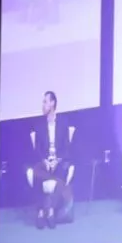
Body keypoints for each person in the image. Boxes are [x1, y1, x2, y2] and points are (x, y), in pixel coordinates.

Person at [28, 89, 74, 229]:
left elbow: (66, 147)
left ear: (52, 103)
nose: (43, 105)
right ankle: (44, 211)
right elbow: (37, 149)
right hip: (44, 162)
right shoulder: (39, 125)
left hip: (58, 162)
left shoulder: (63, 123)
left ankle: (48, 211)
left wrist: (57, 160)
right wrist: (45, 161)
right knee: (36, 171)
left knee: (61, 171)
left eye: (45, 102)